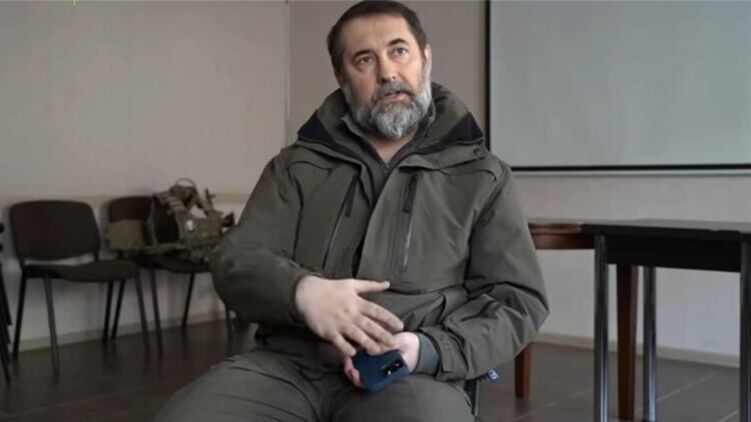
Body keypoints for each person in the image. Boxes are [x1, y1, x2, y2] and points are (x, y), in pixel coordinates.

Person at [154, 1, 547, 421]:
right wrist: (301, 292)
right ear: (342, 77)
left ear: (426, 58)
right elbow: (236, 260)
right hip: (287, 366)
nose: (387, 73)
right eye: (365, 59)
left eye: (399, 51)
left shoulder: (483, 176)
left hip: (411, 376)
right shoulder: (295, 167)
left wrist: (428, 349)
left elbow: (516, 301)